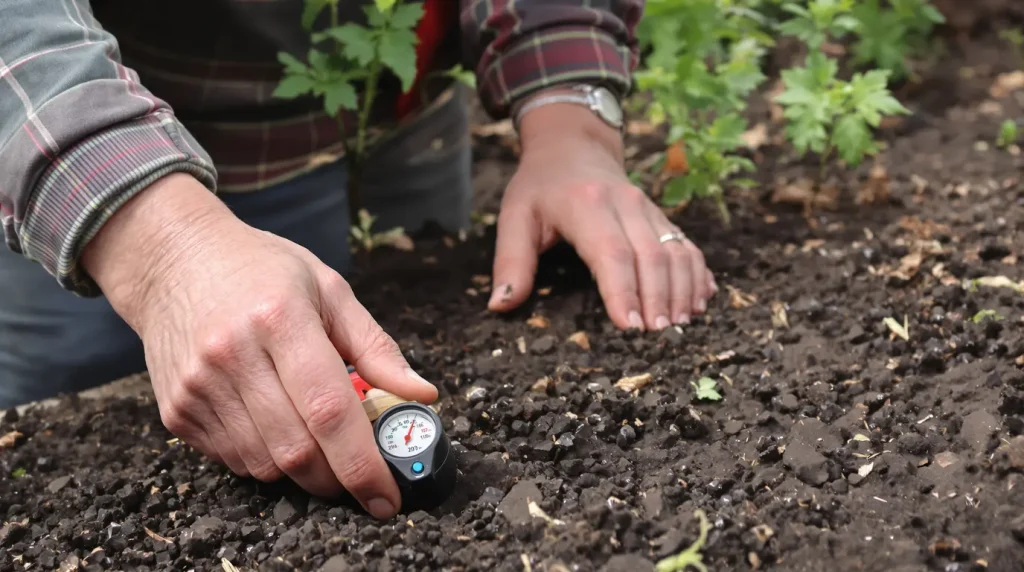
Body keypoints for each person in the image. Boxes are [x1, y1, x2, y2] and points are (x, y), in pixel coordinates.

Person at [0, 0, 717, 518]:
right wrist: (160, 251)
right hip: (121, 129)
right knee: (76, 416)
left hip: (413, 111)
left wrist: (570, 118)